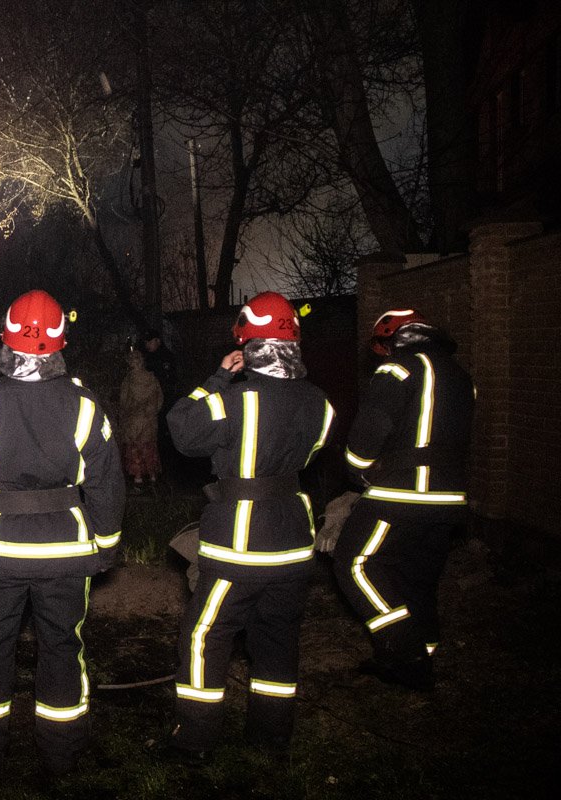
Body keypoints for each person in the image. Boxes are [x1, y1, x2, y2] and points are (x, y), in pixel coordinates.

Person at [0, 290, 125, 781]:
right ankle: (60, 759)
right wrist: (105, 546)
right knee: (62, 647)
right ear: (62, 343)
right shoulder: (86, 406)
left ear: (5, 341)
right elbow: (106, 485)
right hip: (67, 553)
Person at [164, 292, 335, 758]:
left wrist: (217, 377)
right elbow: (308, 454)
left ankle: (196, 739)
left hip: (238, 548)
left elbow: (181, 428)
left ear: (248, 344)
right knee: (277, 639)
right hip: (294, 546)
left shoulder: (233, 401)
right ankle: (271, 735)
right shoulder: (321, 403)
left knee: (205, 636)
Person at [331, 309, 474, 692]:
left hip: (401, 494)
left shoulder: (398, 370)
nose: (380, 354)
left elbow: (366, 438)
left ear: (393, 339)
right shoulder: (460, 375)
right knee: (417, 577)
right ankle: (422, 653)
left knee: (353, 564)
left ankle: (405, 651)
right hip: (450, 500)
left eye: (382, 345)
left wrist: (359, 473)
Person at [118, 349, 164, 490]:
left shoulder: (129, 380)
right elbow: (159, 399)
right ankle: (152, 476)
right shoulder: (152, 379)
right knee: (149, 448)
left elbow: (123, 401)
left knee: (135, 449)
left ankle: (138, 478)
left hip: (133, 420)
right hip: (149, 420)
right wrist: (151, 412)